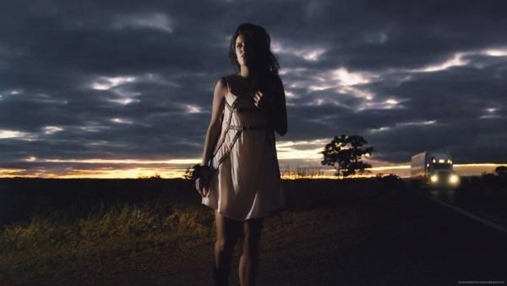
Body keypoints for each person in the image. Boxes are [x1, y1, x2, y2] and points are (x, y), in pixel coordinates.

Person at [195, 23, 288, 286]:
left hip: (259, 165)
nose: (243, 49)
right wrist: (203, 168)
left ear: (259, 49)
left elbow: (283, 127)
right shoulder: (225, 84)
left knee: (251, 242)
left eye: (248, 45)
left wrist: (268, 107)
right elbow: (213, 126)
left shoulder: (272, 85)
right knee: (225, 243)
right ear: (234, 51)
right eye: (239, 45)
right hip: (227, 166)